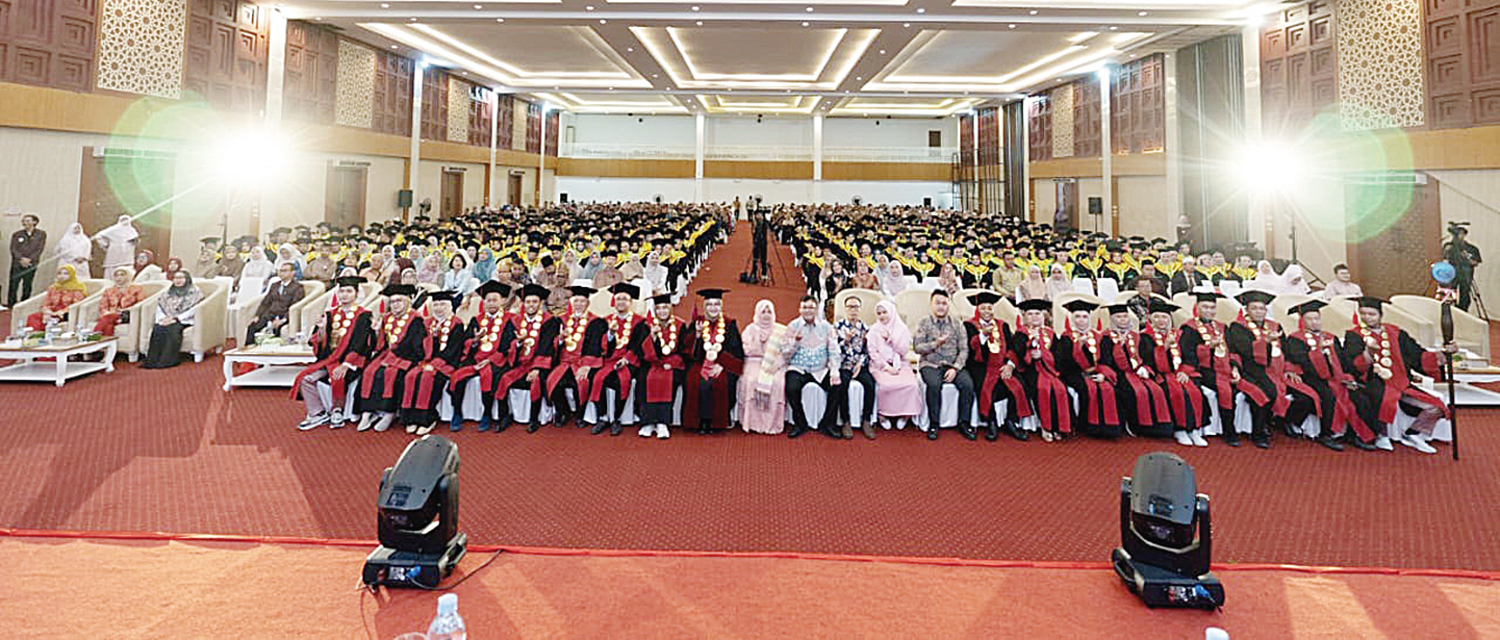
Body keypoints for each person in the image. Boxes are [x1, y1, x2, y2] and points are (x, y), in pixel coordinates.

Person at [1342, 296, 1453, 454]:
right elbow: (1352, 364)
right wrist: (1368, 353)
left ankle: (1413, 434)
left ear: (1381, 315)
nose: (1367, 317)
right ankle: (1382, 435)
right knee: (1383, 399)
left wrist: (1442, 354)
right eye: (1363, 314)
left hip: (1401, 382)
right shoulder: (1354, 335)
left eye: (1371, 314)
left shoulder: (1396, 332)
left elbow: (1417, 356)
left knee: (1435, 407)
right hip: (1373, 381)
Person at [1226, 290, 1318, 449]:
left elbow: (1286, 351)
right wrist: (1264, 342)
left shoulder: (1275, 326)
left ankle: (1283, 421)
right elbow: (1244, 351)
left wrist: (1289, 369)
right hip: (1252, 370)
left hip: (1278, 370)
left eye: (1262, 308)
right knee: (1265, 394)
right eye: (1254, 308)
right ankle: (1259, 432)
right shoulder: (1237, 327)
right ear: (1246, 310)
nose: (1259, 312)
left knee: (1307, 396)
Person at [1283, 299, 1375, 451]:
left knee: (1359, 396)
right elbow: (1303, 362)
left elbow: (1343, 360)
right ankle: (1326, 434)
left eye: (1317, 318)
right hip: (1311, 377)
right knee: (1328, 397)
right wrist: (1318, 352)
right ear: (1302, 321)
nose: (1314, 322)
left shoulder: (1331, 337)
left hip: (1337, 377)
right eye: (1310, 319)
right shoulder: (1295, 339)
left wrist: (1348, 376)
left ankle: (1354, 435)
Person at [293, 276, 375, 430]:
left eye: (349, 291)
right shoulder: (329, 314)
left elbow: (361, 344)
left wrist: (346, 365)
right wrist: (323, 328)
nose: (344, 294)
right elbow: (319, 345)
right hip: (329, 360)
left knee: (339, 376)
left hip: (352, 362)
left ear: (356, 294)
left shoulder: (363, 315)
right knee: (305, 378)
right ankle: (317, 413)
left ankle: (338, 410)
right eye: (341, 291)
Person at [354, 284, 427, 433]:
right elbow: (381, 343)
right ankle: (367, 413)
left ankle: (389, 413)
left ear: (407, 302)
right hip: (387, 354)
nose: (395, 305)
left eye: (399, 301)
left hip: (408, 356)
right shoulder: (386, 318)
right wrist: (374, 332)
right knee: (369, 371)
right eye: (392, 302)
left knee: (390, 373)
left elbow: (416, 345)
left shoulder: (416, 319)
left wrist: (394, 356)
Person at [1138, 299, 1209, 447]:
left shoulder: (1181, 335)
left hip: (1181, 373)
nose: (1161, 320)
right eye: (1157, 317)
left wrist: (1185, 371)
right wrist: (1163, 348)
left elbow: (1191, 357)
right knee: (1177, 393)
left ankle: (1195, 429)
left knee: (1194, 391)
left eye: (1164, 317)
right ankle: (1180, 430)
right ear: (1150, 319)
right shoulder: (1145, 336)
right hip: (1161, 375)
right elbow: (1149, 361)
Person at [1098, 302, 1174, 438]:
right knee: (1135, 391)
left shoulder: (1138, 336)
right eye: (1119, 317)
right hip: (1119, 373)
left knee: (1156, 390)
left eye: (1125, 317)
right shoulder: (1106, 337)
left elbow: (1147, 356)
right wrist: (1118, 346)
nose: (1122, 320)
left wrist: (1145, 367)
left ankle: (1157, 428)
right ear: (1112, 320)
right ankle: (1135, 425)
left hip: (1139, 372)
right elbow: (1105, 360)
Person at [964, 292, 1034, 441]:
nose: (987, 312)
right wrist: (982, 336)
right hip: (981, 366)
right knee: (988, 389)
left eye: (989, 308)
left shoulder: (1003, 325)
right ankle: (992, 422)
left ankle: (1011, 421)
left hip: (1002, 365)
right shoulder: (969, 325)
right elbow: (970, 350)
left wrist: (1009, 365)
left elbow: (1012, 347)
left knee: (1019, 386)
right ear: (977, 309)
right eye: (983, 308)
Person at [1179, 291, 1244, 446]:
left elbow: (1233, 351)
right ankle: (1229, 431)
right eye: (1205, 307)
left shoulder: (1223, 327)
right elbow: (1188, 354)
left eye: (1212, 308)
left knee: (1245, 388)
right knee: (1226, 390)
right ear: (1197, 307)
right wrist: (1208, 347)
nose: (1209, 311)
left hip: (1226, 369)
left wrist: (1235, 368)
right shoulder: (1189, 328)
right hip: (1203, 370)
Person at [449, 281, 514, 432]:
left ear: (502, 301)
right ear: (484, 302)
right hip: (475, 357)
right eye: (488, 300)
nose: (491, 303)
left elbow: (507, 345)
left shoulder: (509, 320)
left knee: (488, 376)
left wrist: (489, 360)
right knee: (457, 376)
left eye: (495, 300)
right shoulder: (476, 320)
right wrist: (475, 341)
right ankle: (457, 413)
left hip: (496, 359)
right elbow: (466, 341)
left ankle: (486, 414)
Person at [497, 283, 561, 433]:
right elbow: (506, 344)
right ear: (523, 303)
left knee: (536, 381)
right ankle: (504, 416)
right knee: (503, 379)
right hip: (519, 363)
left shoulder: (549, 321)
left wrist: (537, 368)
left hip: (539, 363)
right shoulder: (514, 321)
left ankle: (534, 419)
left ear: (540, 303)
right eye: (528, 302)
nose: (531, 305)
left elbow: (547, 346)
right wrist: (517, 344)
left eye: (534, 302)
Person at [402, 291, 469, 434]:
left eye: (443, 304)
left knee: (428, 377)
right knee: (411, 376)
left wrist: (435, 363)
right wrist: (432, 338)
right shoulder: (426, 323)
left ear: (450, 307)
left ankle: (427, 419)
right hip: (425, 361)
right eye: (436, 304)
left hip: (446, 363)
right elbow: (419, 345)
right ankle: (411, 418)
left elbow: (454, 350)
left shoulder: (456, 324)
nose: (439, 308)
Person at [913, 289, 976, 441]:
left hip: (952, 364)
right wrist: (936, 343)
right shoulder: (924, 322)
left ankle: (964, 422)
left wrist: (955, 368)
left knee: (967, 385)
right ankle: (934, 423)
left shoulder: (957, 323)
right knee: (934, 385)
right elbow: (918, 348)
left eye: (944, 303)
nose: (941, 306)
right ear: (931, 305)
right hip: (930, 363)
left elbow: (964, 349)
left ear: (948, 305)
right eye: (937, 303)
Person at [1057, 299, 1121, 439]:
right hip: (1075, 373)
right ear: (1072, 319)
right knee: (1087, 390)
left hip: (1098, 371)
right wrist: (1077, 348)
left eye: (1085, 317)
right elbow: (1063, 363)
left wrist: (1104, 374)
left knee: (1107, 388)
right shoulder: (1066, 338)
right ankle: (1089, 426)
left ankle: (1109, 427)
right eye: (1077, 317)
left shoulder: (1100, 337)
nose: (1081, 321)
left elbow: (1107, 359)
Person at [546, 285, 608, 429]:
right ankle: (562, 412)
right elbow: (552, 344)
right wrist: (560, 339)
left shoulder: (596, 322)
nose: (578, 304)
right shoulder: (560, 320)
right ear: (571, 303)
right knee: (553, 382)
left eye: (582, 301)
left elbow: (596, 345)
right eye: (576, 301)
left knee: (580, 383)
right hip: (564, 362)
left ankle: (580, 415)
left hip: (582, 363)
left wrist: (587, 365)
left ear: (587, 303)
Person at [684, 288, 745, 435]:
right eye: (710, 305)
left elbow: (736, 351)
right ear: (705, 307)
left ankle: (716, 421)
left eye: (716, 304)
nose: (713, 308)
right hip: (700, 363)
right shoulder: (697, 323)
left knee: (721, 381)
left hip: (722, 364)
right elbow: (687, 351)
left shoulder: (729, 324)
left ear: (721, 306)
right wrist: (697, 335)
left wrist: (722, 365)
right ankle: (701, 421)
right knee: (697, 381)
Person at [587, 282, 644, 436]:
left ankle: (616, 419)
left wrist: (626, 359)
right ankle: (603, 417)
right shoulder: (605, 321)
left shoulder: (639, 322)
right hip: (608, 360)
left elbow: (638, 345)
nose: (621, 302)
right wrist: (610, 335)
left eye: (624, 299)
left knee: (620, 381)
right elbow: (602, 346)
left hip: (628, 361)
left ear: (630, 302)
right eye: (618, 299)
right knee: (596, 378)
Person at [783, 295, 843, 439]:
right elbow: (785, 354)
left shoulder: (826, 327)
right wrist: (795, 342)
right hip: (798, 368)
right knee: (791, 388)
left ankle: (828, 423)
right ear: (799, 309)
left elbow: (834, 350)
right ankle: (800, 423)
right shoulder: (792, 326)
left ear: (816, 309)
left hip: (820, 369)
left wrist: (834, 370)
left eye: (811, 307)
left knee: (837, 386)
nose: (808, 311)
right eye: (804, 307)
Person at [1013, 298, 1070, 441]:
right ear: (1024, 317)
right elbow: (1018, 354)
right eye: (1030, 314)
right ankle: (1046, 427)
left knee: (1060, 389)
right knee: (1042, 389)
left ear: (1043, 316)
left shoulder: (1050, 333)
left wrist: (1043, 355)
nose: (1034, 317)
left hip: (1050, 370)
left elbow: (1059, 355)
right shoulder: (1021, 333)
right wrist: (1030, 354)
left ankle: (1060, 427)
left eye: (1037, 313)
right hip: (1030, 370)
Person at [635, 292, 689, 439]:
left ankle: (663, 423)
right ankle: (647, 422)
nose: (662, 311)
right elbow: (641, 351)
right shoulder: (647, 326)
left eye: (665, 308)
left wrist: (670, 363)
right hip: (651, 362)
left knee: (669, 379)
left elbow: (684, 350)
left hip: (672, 365)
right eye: (658, 308)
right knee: (645, 379)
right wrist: (652, 336)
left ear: (670, 309)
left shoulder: (679, 325)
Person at [866, 299, 923, 431]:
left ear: (891, 312)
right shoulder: (874, 330)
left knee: (911, 385)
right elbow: (872, 353)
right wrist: (886, 367)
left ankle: (904, 415)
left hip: (901, 363)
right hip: (880, 366)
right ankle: (883, 415)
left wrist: (891, 339)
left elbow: (904, 351)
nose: (882, 316)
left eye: (884, 312)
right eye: (879, 313)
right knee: (885, 386)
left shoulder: (901, 329)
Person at [738, 299, 788, 435]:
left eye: (769, 312)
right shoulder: (750, 329)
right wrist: (758, 344)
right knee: (751, 380)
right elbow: (746, 350)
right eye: (763, 312)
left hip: (774, 362)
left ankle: (772, 424)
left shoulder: (780, 330)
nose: (766, 315)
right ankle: (752, 422)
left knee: (778, 382)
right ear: (757, 313)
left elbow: (785, 351)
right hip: (753, 361)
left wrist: (775, 362)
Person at [831, 294, 875, 439]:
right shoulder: (837, 327)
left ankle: (867, 420)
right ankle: (845, 421)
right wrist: (846, 340)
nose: (853, 310)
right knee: (842, 385)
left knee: (870, 383)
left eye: (856, 307)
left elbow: (867, 350)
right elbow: (833, 350)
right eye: (850, 307)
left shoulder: (864, 328)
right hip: (843, 364)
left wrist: (860, 364)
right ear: (845, 309)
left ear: (860, 309)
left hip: (858, 364)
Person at [141, 269, 203, 369]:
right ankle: (152, 361)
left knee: (173, 329)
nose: (178, 280)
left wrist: (176, 318)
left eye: (181, 278)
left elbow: (193, 310)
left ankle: (167, 361)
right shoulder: (167, 293)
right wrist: (162, 320)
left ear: (187, 279)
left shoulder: (194, 293)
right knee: (157, 328)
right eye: (175, 278)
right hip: (167, 319)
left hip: (183, 320)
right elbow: (160, 307)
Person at [244, 262, 305, 343]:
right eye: (280, 271)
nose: (281, 273)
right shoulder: (274, 285)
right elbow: (265, 302)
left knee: (278, 331)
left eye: (285, 271)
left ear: (292, 273)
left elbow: (295, 305)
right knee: (252, 327)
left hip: (284, 316)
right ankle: (249, 351)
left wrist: (283, 320)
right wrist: (258, 315)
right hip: (270, 315)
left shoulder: (297, 287)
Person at [25, 263, 89, 331]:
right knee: (33, 317)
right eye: (60, 273)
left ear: (72, 275)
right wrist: (47, 311)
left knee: (53, 320)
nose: (62, 276)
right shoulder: (53, 288)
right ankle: (35, 336)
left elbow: (76, 305)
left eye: (66, 274)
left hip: (65, 314)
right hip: (52, 312)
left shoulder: (77, 288)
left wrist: (60, 312)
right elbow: (46, 303)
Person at [92, 266, 144, 336]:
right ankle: (107, 343)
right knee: (108, 326)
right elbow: (103, 305)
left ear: (128, 276)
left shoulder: (136, 289)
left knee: (106, 319)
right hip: (111, 315)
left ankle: (95, 336)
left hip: (127, 314)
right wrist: (106, 312)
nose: (119, 277)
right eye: (116, 275)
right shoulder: (109, 291)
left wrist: (126, 311)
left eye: (122, 275)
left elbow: (141, 302)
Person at [9, 213, 46, 306]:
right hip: (17, 264)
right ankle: (11, 304)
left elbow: (39, 249)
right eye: (24, 221)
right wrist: (21, 259)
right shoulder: (17, 234)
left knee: (27, 285)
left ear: (35, 222)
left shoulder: (41, 234)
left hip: (31, 264)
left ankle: (24, 305)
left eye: (28, 220)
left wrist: (29, 260)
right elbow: (13, 249)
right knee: (13, 285)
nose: (25, 222)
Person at [1443, 225, 1482, 311]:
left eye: (1461, 234)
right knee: (1449, 292)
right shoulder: (1449, 247)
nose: (1458, 236)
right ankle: (1449, 311)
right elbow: (1444, 257)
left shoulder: (1471, 248)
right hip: (1452, 274)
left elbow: (1476, 262)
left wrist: (1468, 259)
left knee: (1465, 295)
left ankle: (1463, 311)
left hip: (1465, 274)